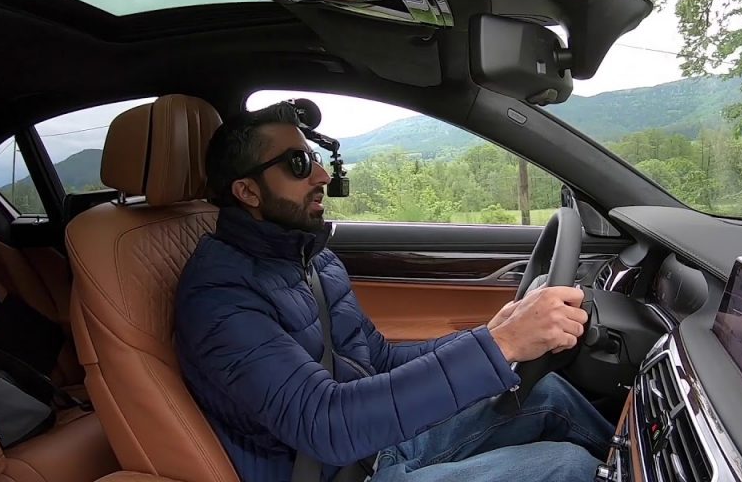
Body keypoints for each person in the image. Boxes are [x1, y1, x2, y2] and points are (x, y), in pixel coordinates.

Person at [174, 102, 614, 482]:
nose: (322, 175)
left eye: (315, 158)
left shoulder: (313, 260)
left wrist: (488, 336)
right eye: (298, 164)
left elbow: (379, 360)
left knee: (547, 394)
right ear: (248, 191)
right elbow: (326, 424)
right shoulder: (219, 298)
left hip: (377, 443)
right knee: (568, 467)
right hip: (339, 470)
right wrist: (501, 345)